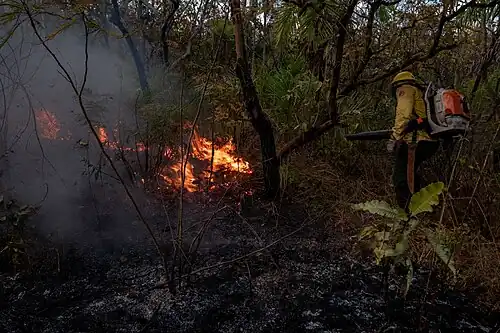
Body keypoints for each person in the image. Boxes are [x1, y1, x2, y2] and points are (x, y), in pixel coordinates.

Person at [387, 71, 439, 211]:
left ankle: (408, 214)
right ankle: (418, 210)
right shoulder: (420, 92)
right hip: (427, 140)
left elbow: (403, 115)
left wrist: (395, 138)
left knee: (400, 178)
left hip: (415, 140)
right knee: (410, 173)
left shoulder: (406, 89)